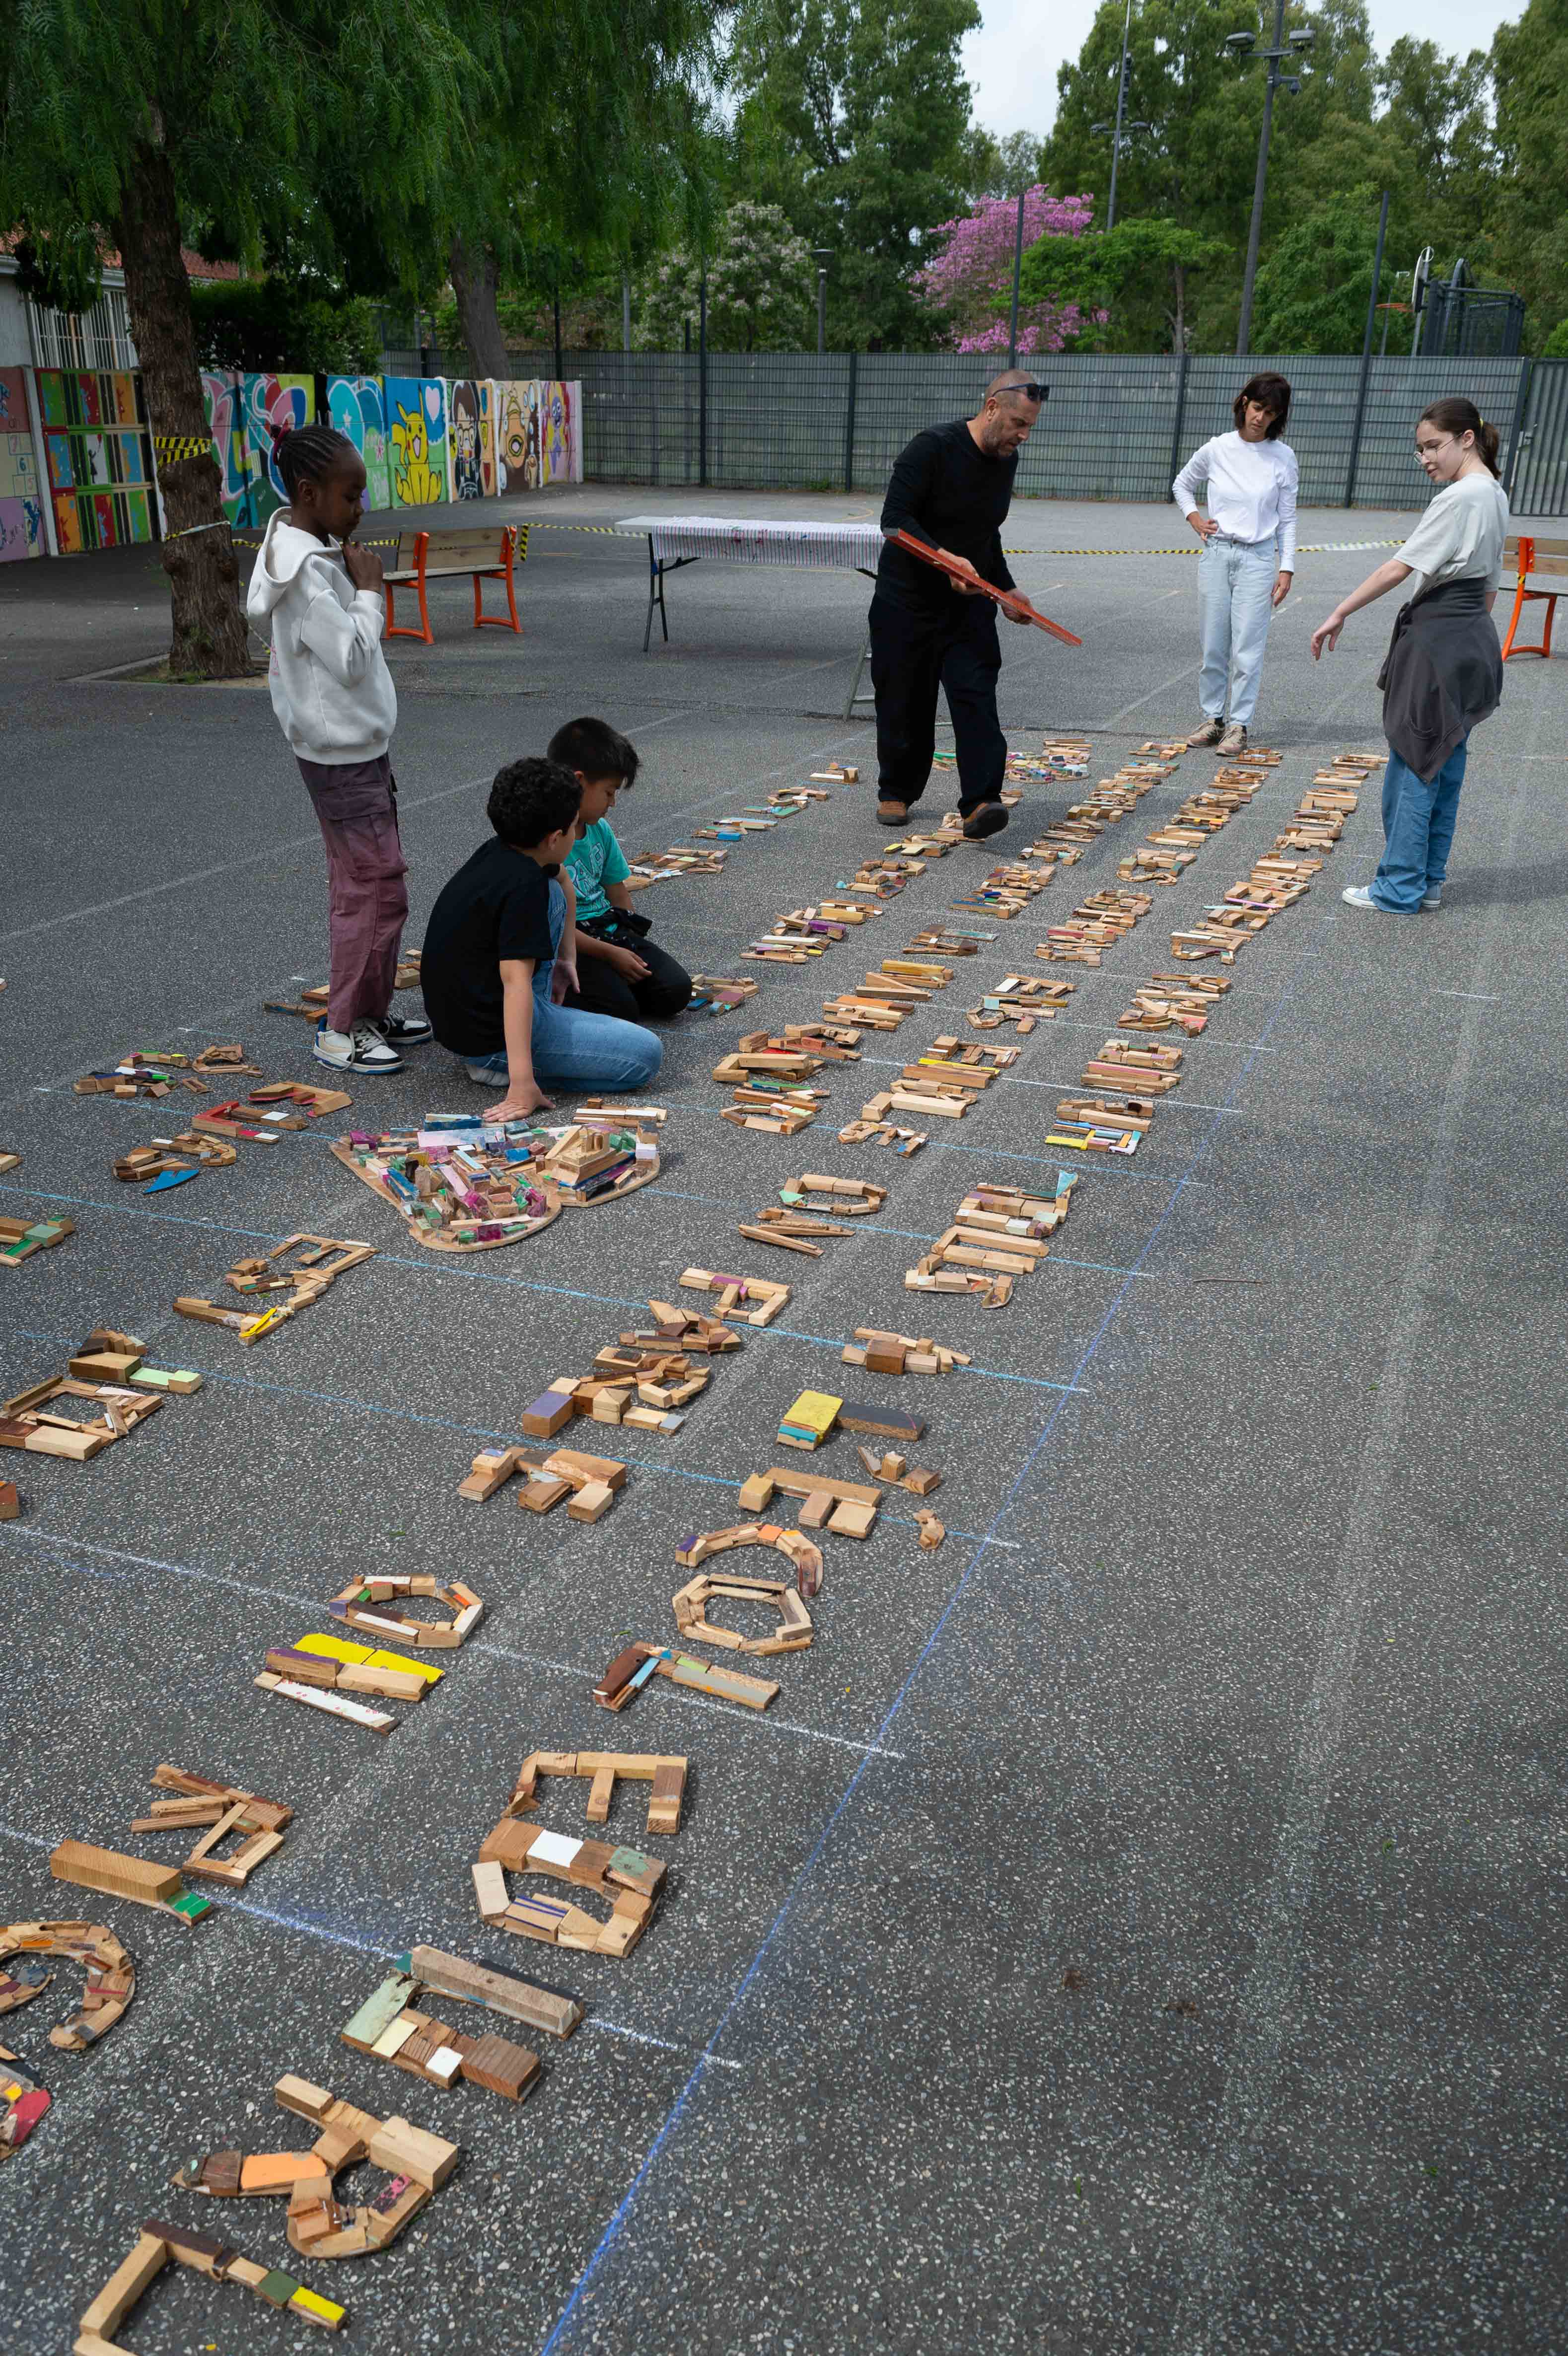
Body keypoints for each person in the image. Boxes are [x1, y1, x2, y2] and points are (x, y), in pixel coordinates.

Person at [247, 424, 427, 1076]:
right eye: (350, 496)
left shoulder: (315, 554)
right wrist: (373, 592)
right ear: (308, 492)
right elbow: (350, 657)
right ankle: (344, 1029)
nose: (360, 509)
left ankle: (368, 1013)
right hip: (341, 756)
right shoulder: (306, 576)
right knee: (375, 889)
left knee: (371, 886)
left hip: (354, 748)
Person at [1311, 397, 1507, 916]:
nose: (1424, 458)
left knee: (1414, 761)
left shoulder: (1458, 498)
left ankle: (1397, 887)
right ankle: (1426, 881)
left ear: (1466, 438)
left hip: (1438, 641)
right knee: (1444, 763)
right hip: (1472, 639)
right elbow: (1489, 588)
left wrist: (1339, 611)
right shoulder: (1493, 494)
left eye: (1432, 446)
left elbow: (1397, 568)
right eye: (1418, 449)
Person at [420, 757, 662, 1119]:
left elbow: (562, 878)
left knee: (554, 889)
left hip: (465, 1014)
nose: (577, 831)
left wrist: (567, 959)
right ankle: (504, 1068)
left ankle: (519, 1051)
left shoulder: (506, 850)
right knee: (646, 1055)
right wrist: (523, 1083)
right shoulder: (525, 890)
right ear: (554, 838)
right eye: (574, 826)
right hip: (489, 1038)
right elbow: (515, 981)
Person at [869, 369, 1045, 841]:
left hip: (968, 605)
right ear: (991, 408)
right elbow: (895, 521)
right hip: (905, 601)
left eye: (1029, 427)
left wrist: (1007, 589)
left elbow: (987, 534)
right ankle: (897, 791)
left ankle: (982, 801)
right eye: (1017, 423)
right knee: (905, 697)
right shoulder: (932, 447)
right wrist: (944, 558)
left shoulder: (1005, 462)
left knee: (975, 697)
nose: (1022, 436)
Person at [1172, 372, 1298, 760]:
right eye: (1258, 408)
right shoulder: (1217, 448)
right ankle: (1213, 719)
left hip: (1258, 557)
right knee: (1214, 643)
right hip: (1217, 553)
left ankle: (1240, 723)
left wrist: (1287, 567)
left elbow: (1288, 518)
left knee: (1248, 645)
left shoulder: (1284, 457)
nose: (1262, 418)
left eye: (1271, 413)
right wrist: (1194, 518)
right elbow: (1182, 484)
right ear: (1244, 403)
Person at [548, 715, 694, 1024]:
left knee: (677, 990)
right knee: (621, 1009)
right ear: (578, 781)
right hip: (570, 943)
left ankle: (611, 989)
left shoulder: (599, 830)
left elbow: (618, 893)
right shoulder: (548, 839)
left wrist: (624, 943)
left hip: (608, 932)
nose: (612, 803)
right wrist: (609, 955)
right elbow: (555, 926)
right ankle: (563, 992)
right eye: (609, 792)